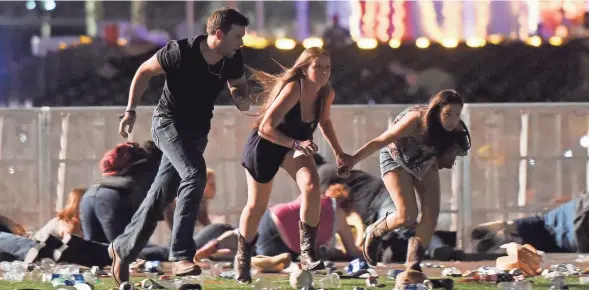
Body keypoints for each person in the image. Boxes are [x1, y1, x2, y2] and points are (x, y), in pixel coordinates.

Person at [112, 7, 250, 285]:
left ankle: (122, 249)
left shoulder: (232, 58)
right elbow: (143, 72)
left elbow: (238, 86)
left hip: (197, 133)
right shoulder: (179, 52)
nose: (242, 43)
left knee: (160, 196)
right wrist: (130, 110)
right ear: (218, 34)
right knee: (195, 174)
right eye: (237, 36)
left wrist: (242, 97)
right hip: (167, 124)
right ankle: (181, 256)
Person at [235, 46, 352, 283]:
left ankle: (307, 252)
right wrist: (296, 143)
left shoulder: (325, 92)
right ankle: (243, 257)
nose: (323, 72)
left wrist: (339, 152)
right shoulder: (293, 88)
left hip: (294, 146)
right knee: (257, 205)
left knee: (311, 186)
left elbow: (325, 121)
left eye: (327, 67)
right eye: (317, 67)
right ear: (304, 68)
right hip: (266, 144)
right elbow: (266, 128)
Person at [347, 90, 471, 283]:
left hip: (423, 160)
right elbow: (380, 141)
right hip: (395, 157)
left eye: (457, 115)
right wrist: (352, 160)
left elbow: (446, 159)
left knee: (432, 213)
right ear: (436, 111)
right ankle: (375, 231)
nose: (453, 120)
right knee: (407, 215)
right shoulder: (415, 120)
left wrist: (447, 156)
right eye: (448, 114)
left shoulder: (457, 131)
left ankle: (413, 264)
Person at [80, 140, 163, 244]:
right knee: (125, 250)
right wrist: (178, 246)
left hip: (89, 195)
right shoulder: (155, 166)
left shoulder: (134, 157)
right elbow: (165, 207)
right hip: (113, 197)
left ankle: (66, 250)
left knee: (94, 252)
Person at [472, 192, 589, 254]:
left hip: (574, 212)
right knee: (546, 241)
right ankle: (508, 236)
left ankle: (508, 226)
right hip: (574, 236)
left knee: (543, 223)